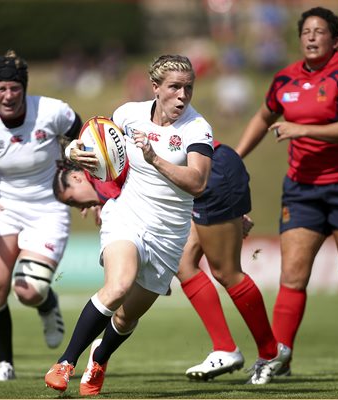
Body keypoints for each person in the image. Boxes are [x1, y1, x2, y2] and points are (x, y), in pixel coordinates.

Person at [235, 6, 338, 377]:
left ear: (335, 39)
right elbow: (264, 117)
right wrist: (234, 157)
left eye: (319, 31)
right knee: (292, 276)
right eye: (305, 31)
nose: (311, 37)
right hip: (301, 190)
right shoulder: (284, 80)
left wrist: (302, 130)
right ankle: (281, 357)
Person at [53, 141, 289, 386]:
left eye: (72, 200)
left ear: (77, 176)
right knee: (184, 263)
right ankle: (226, 347)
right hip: (199, 179)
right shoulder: (107, 185)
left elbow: (159, 169)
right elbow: (159, 194)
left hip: (210, 170)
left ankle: (269, 352)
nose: (79, 208)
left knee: (226, 272)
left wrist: (228, 204)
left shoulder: (106, 161)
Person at [44, 54, 213, 396]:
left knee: (125, 318)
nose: (183, 96)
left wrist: (155, 158)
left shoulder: (198, 129)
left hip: (169, 235)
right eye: (175, 87)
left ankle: (100, 358)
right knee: (118, 285)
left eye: (188, 88)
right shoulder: (128, 114)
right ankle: (65, 362)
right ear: (155, 88)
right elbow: (91, 144)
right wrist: (76, 151)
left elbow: (197, 183)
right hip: (127, 216)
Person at [0, 50, 83, 382]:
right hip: (2, 207)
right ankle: (4, 364)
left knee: (28, 291)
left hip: (49, 209)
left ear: (24, 88)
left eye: (14, 88)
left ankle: (45, 302)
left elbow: (86, 142)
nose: (8, 96)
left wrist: (86, 192)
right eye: (1, 89)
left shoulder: (53, 111)